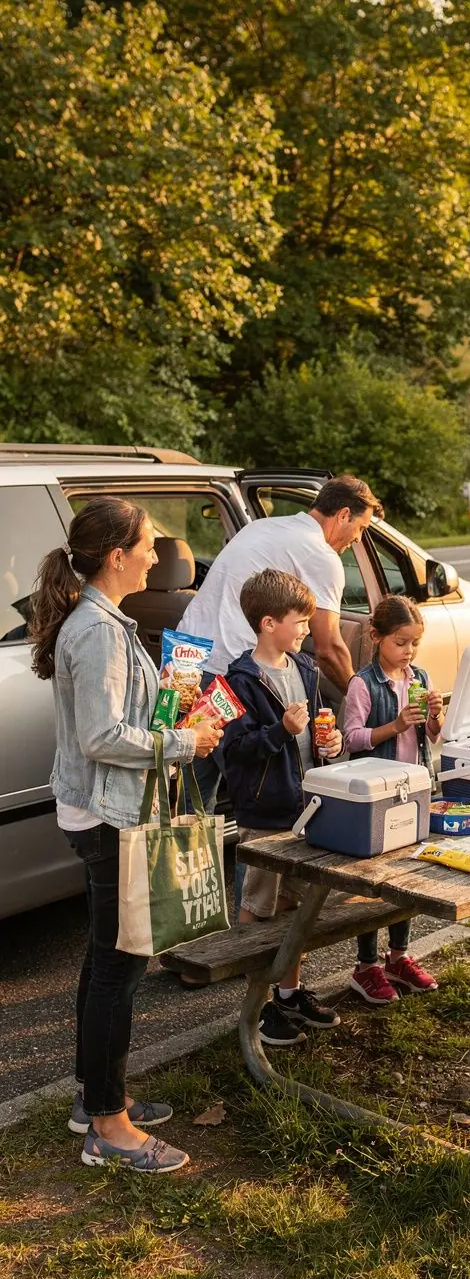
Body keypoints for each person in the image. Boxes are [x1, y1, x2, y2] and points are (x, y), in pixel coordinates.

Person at [30, 498, 223, 1172]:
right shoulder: (98, 630)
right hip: (109, 818)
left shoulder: (104, 622)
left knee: (105, 957)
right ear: (117, 556)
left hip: (105, 811)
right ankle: (108, 1128)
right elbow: (102, 736)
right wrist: (181, 742)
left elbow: (117, 717)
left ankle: (96, 1098)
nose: (155, 556)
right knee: (121, 964)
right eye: (147, 546)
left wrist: (178, 709)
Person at [180, 474, 382, 813]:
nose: (357, 540)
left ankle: (182, 861)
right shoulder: (322, 555)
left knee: (191, 798)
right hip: (233, 677)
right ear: (343, 514)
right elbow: (328, 647)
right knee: (259, 795)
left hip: (185, 665)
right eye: (360, 529)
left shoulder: (262, 528)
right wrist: (363, 695)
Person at [221, 569, 344, 1045]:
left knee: (297, 905)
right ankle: (259, 1007)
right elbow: (235, 751)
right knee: (258, 905)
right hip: (263, 813)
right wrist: (281, 732)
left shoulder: (305, 670)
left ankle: (290, 995)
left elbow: (314, 739)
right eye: (300, 621)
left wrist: (325, 743)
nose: (307, 630)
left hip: (304, 806)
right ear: (269, 622)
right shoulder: (241, 680)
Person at [343, 595, 444, 1005]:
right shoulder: (362, 684)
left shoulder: (418, 677)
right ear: (376, 637)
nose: (408, 652)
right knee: (371, 883)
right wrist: (394, 724)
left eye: (414, 643)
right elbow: (352, 739)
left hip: (413, 788)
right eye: (401, 643)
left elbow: (433, 736)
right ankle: (366, 965)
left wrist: (434, 715)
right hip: (376, 792)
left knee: (406, 877)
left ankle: (398, 956)